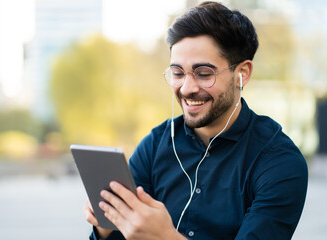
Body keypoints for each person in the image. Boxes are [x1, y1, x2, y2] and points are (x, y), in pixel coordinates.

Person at [83, 1, 308, 239]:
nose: (187, 88)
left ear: (242, 74)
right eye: (178, 73)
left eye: (203, 74)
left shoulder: (279, 162)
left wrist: (166, 236)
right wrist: (106, 226)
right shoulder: (154, 146)